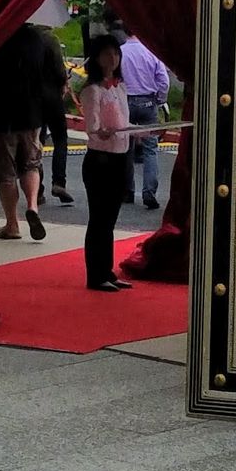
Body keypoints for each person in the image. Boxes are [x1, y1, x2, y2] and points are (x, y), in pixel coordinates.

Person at [0, 23, 56, 241]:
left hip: (4, 113)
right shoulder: (38, 38)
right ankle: (32, 206)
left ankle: (12, 224)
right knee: (31, 164)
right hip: (32, 111)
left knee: (6, 172)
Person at [77, 34, 134, 292]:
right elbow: (93, 128)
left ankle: (107, 270)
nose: (112, 58)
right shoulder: (93, 91)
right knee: (98, 218)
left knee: (110, 219)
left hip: (120, 157)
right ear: (96, 58)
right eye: (106, 54)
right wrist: (105, 132)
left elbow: (125, 124)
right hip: (100, 160)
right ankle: (95, 274)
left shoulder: (119, 87)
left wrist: (145, 131)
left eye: (115, 54)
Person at [112, 20, 171, 210]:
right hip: (148, 102)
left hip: (126, 101)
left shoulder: (120, 52)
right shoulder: (151, 52)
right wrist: (160, 100)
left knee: (125, 147)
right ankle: (149, 192)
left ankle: (127, 190)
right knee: (150, 149)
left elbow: (113, 78)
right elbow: (164, 81)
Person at [37, 25, 75, 206]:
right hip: (52, 95)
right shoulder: (50, 40)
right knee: (60, 138)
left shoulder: (26, 39)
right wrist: (63, 84)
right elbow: (60, 71)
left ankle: (37, 187)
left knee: (37, 141)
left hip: (32, 98)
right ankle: (59, 181)